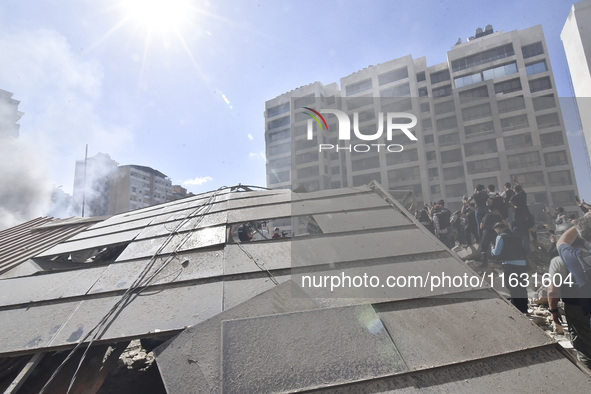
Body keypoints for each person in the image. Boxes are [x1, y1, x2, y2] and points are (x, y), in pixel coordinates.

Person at [547, 250, 591, 369]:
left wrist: (553, 310)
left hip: (577, 307)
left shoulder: (559, 260)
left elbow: (553, 290)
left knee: (584, 347)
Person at [490, 222, 529, 313]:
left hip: (509, 264)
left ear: (498, 229)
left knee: (512, 286)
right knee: (522, 286)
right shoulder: (517, 235)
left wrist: (492, 248)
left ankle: (517, 308)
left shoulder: (501, 236)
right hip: (522, 263)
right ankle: (524, 308)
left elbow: (496, 252)